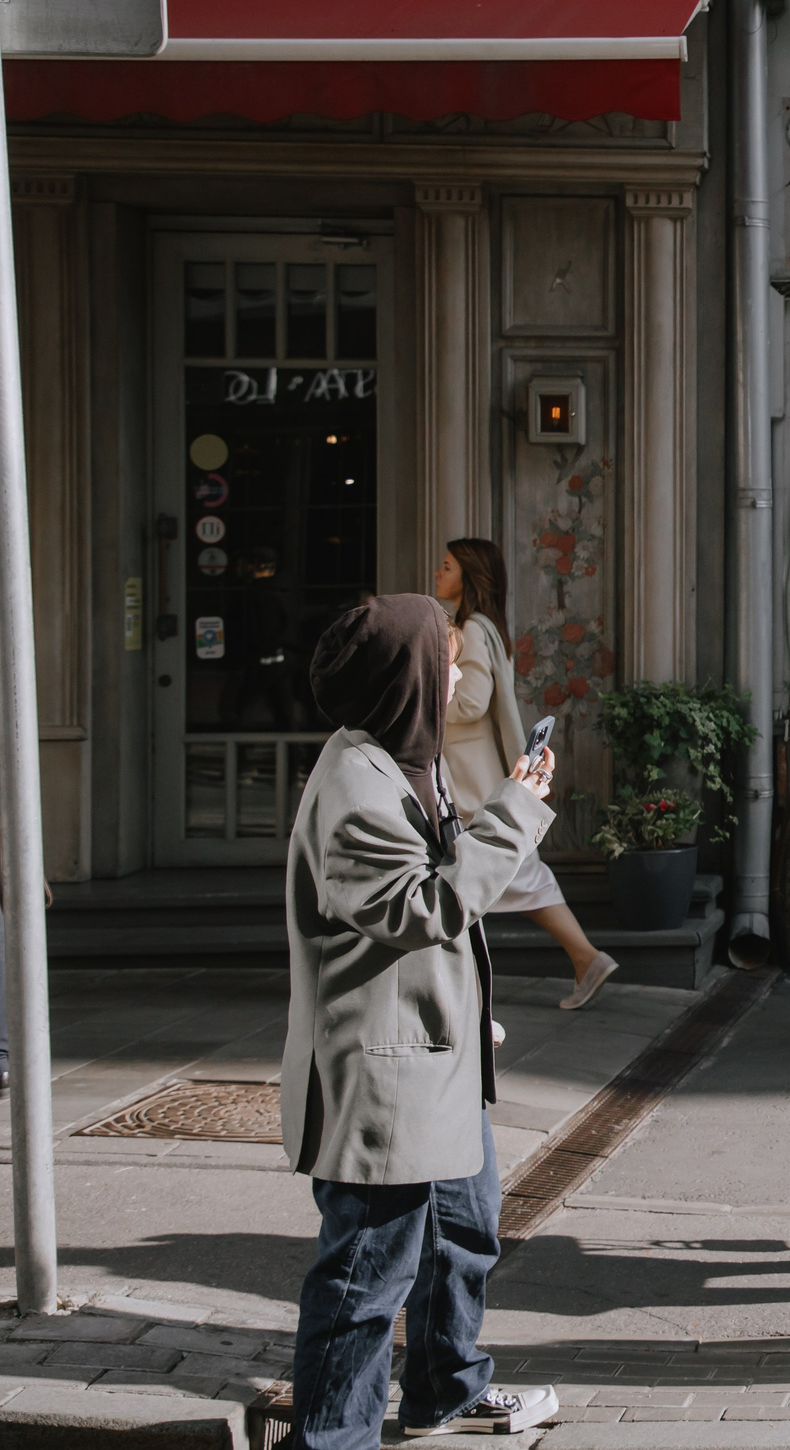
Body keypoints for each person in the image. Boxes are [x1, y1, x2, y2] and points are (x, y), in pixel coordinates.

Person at [282, 594, 561, 1445]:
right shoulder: (356, 784)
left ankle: (444, 1387)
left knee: (463, 1234)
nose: (456, 674)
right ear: (401, 675)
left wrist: (469, 1014)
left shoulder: (408, 758)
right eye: (444, 660)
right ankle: (331, 1437)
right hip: (384, 1076)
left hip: (434, 1058)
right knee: (366, 1276)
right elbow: (423, 907)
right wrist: (514, 814)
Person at [435, 540, 617, 1009]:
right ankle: (583, 960)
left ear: (469, 575)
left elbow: (471, 701)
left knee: (493, 873)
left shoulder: (471, 629)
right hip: (477, 774)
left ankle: (584, 959)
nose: (438, 572)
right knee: (505, 873)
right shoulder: (485, 626)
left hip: (471, 776)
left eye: (448, 566)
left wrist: (426, 698)